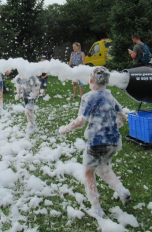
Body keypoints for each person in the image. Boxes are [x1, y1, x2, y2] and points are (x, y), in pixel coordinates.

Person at [58, 67, 130, 217]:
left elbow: (81, 121)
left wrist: (64, 129)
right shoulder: (111, 97)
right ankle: (122, 191)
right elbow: (123, 117)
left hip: (97, 141)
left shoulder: (89, 97)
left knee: (88, 172)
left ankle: (96, 208)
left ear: (90, 80)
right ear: (107, 81)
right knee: (104, 168)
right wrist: (112, 126)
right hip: (113, 141)